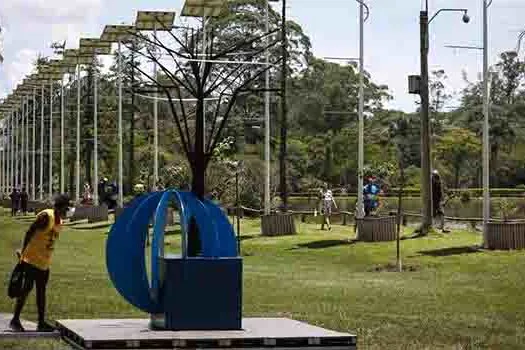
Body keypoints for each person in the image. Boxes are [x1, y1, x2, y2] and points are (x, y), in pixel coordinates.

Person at [9, 194, 72, 332]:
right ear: (59, 207)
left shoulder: (59, 221)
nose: (67, 211)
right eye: (66, 208)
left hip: (44, 262)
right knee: (26, 289)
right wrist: (23, 252)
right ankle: (15, 320)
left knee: (41, 292)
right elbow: (29, 232)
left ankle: (41, 323)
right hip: (31, 259)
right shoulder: (46, 217)